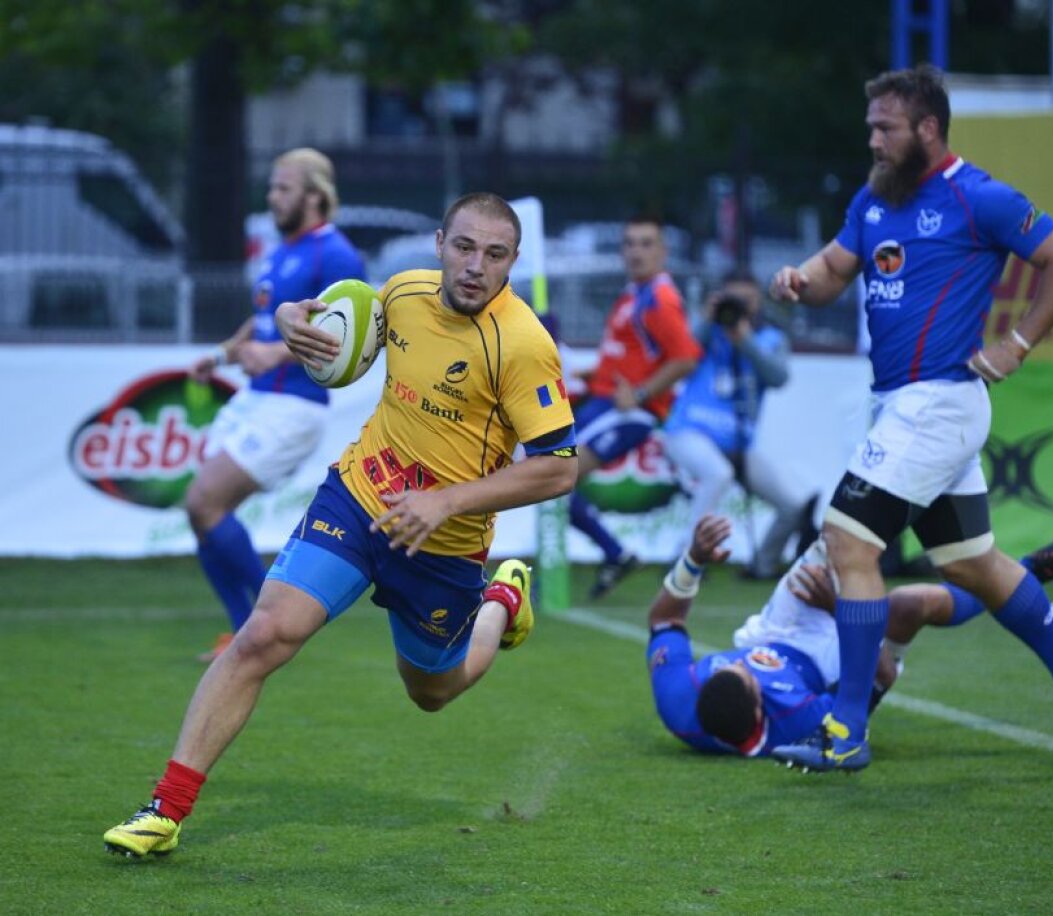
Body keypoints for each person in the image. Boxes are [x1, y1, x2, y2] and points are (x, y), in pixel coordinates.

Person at [104, 193, 578, 858]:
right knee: (263, 635)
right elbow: (328, 323)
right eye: (465, 247)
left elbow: (560, 469)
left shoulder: (524, 345)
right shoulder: (405, 291)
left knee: (432, 692)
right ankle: (165, 811)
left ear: (513, 263)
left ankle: (502, 600)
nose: (475, 266)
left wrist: (445, 503)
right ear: (440, 242)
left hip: (443, 545)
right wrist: (293, 318)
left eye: (494, 255)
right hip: (358, 499)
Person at [767, 64, 1053, 773]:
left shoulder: (976, 195)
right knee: (972, 565)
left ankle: (846, 728)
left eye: (886, 128)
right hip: (905, 406)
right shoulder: (875, 198)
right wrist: (800, 280)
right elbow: (836, 267)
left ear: (928, 129)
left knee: (848, 545)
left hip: (939, 402)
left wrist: (1017, 345)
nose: (873, 140)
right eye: (871, 127)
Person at [648, 516, 1053, 759]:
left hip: (776, 630)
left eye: (732, 664)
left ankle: (902, 505)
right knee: (910, 607)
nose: (740, 665)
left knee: (838, 535)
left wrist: (694, 559)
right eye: (746, 675)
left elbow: (663, 622)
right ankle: (1027, 571)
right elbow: (880, 677)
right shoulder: (800, 726)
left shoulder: (680, 702)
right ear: (763, 705)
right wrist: (841, 612)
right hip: (829, 657)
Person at [186, 148, 367, 662]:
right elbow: (263, 319)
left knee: (204, 500)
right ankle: (243, 631)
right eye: (272, 187)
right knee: (204, 513)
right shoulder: (278, 249)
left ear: (314, 195)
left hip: (295, 404)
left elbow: (346, 337)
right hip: (257, 398)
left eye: (283, 188)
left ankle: (277, 618)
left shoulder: (334, 255)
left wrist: (277, 351)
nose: (272, 197)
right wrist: (223, 353)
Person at [571, 217, 702, 598]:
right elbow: (629, 356)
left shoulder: (659, 299)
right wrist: (593, 371)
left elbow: (686, 358)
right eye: (629, 243)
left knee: (555, 475)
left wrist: (642, 395)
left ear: (662, 252)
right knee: (551, 477)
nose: (636, 251)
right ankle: (617, 553)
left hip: (626, 412)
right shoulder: (635, 293)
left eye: (646, 243)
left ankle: (614, 552)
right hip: (602, 401)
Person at [663, 269, 818, 580]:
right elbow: (684, 353)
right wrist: (709, 319)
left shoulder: (770, 337)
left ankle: (762, 565)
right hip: (690, 431)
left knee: (795, 506)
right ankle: (687, 559)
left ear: (758, 301)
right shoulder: (707, 330)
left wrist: (745, 341)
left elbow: (779, 378)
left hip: (739, 444)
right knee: (717, 474)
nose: (737, 308)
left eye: (744, 301)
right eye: (731, 300)